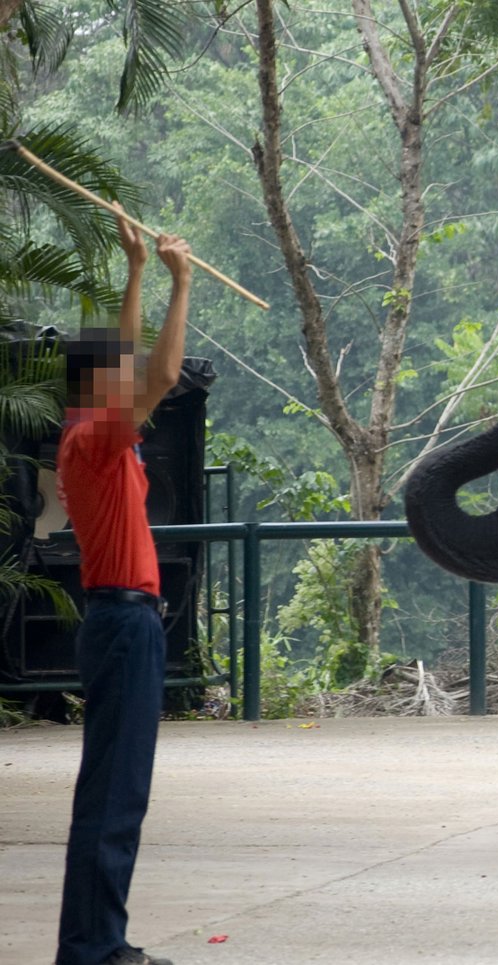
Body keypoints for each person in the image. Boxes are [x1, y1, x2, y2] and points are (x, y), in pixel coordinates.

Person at [54, 209, 192, 965]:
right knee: (113, 793)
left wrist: (138, 272)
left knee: (115, 789)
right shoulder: (94, 436)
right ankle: (93, 949)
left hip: (124, 619)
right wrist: (176, 280)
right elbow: (162, 373)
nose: (129, 377)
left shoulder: (101, 442)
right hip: (120, 620)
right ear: (96, 386)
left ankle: (97, 941)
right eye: (115, 370)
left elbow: (139, 366)